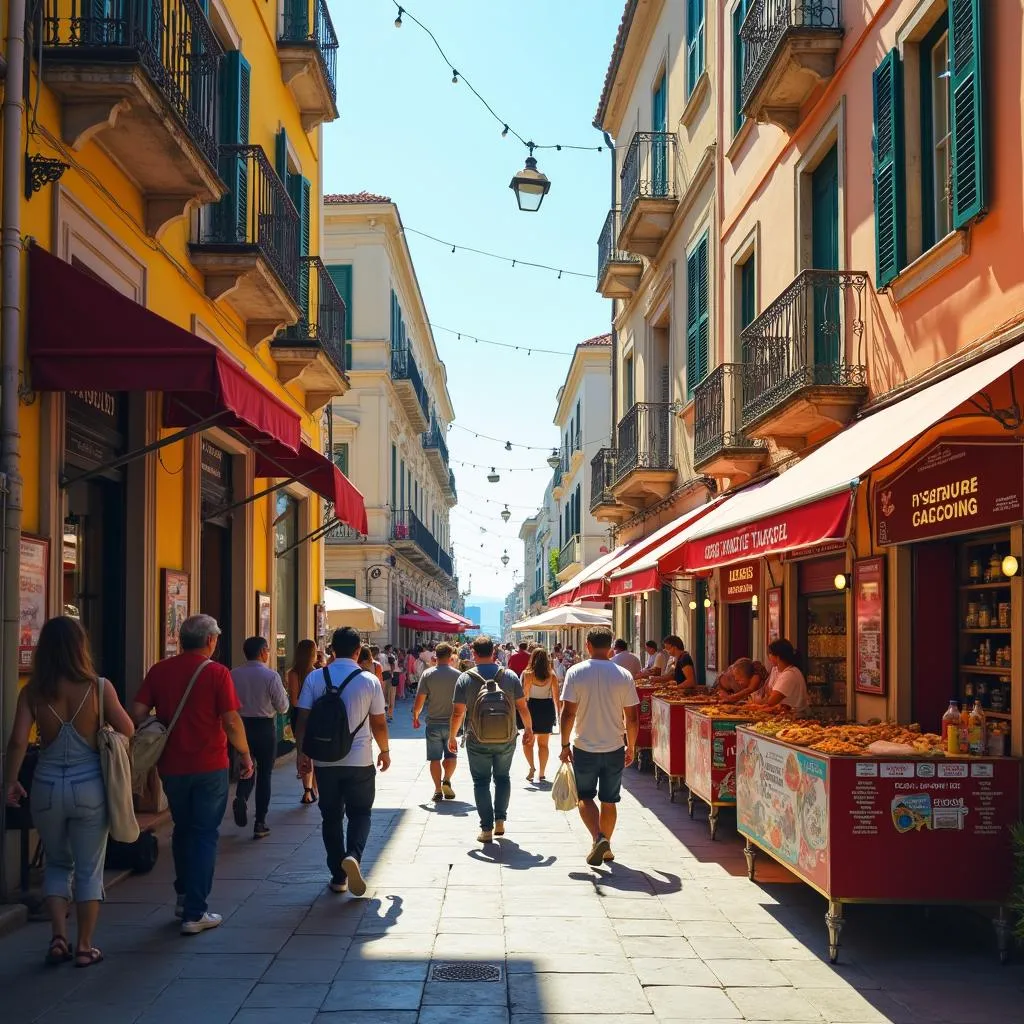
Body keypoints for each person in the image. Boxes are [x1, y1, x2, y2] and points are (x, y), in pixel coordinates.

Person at [4, 616, 135, 967]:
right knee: (89, 869)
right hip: (90, 784)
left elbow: (18, 741)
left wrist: (11, 781)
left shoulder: (32, 691)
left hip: (46, 785)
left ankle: (58, 937)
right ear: (81, 647)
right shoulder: (98, 686)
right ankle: (85, 946)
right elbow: (128, 728)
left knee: (58, 863)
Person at [133, 614, 253, 935]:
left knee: (183, 831)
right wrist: (244, 754)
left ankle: (184, 897)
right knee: (203, 835)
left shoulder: (159, 670)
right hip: (210, 767)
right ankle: (195, 911)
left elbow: (138, 713)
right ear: (211, 640)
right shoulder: (217, 673)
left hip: (171, 767)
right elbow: (230, 720)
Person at [295, 626, 390, 896]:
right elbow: (379, 723)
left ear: (332, 649)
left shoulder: (315, 677)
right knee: (360, 813)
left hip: (325, 762)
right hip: (360, 760)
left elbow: (302, 718)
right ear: (359, 650)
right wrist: (384, 750)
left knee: (331, 817)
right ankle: (354, 856)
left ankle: (338, 876)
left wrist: (303, 754)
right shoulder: (369, 680)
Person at [559, 627, 640, 867]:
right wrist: (632, 747)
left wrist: (564, 744)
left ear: (588, 645)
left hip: (584, 746)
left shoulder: (576, 672)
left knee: (584, 796)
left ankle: (598, 838)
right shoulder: (624, 675)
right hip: (615, 746)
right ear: (611, 645)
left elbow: (567, 713)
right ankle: (606, 848)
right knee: (609, 800)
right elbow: (633, 718)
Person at [448, 635, 533, 843]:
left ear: (474, 654)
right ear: (494, 653)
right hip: (506, 737)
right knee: (503, 778)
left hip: (477, 738)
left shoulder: (465, 678)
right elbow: (522, 706)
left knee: (481, 782)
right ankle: (501, 820)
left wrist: (452, 735)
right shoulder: (510, 676)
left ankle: (486, 829)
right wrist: (529, 728)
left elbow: (458, 713)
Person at [231, 635, 290, 839]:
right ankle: (260, 822)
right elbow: (283, 706)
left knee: (246, 768)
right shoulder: (271, 676)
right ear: (263, 651)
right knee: (265, 774)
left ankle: (241, 796)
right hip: (264, 728)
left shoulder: (233, 675)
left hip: (241, 726)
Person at [412, 641, 460, 802]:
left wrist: (416, 716)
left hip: (433, 723)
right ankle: (447, 779)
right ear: (451, 656)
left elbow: (420, 700)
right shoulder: (458, 675)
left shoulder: (428, 674)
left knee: (434, 758)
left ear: (435, 656)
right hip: (452, 723)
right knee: (451, 755)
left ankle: (438, 789)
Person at [287, 639, 319, 804]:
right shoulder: (316, 673)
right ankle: (311, 789)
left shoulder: (293, 673)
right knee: (312, 752)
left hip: (299, 715)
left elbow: (294, 701)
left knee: (304, 751)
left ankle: (308, 790)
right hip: (312, 716)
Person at [521, 647, 560, 783]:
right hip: (547, 708)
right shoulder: (552, 675)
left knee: (528, 742)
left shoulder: (528, 674)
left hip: (532, 708)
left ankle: (532, 768)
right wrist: (558, 716)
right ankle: (542, 773)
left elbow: (525, 694)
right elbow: (556, 697)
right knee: (543, 745)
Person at [752, 639, 809, 713]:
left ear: (778, 657)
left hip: (794, 719)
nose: (769, 657)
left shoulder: (789, 674)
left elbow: (771, 702)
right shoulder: (785, 671)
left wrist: (755, 708)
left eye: (770, 654)